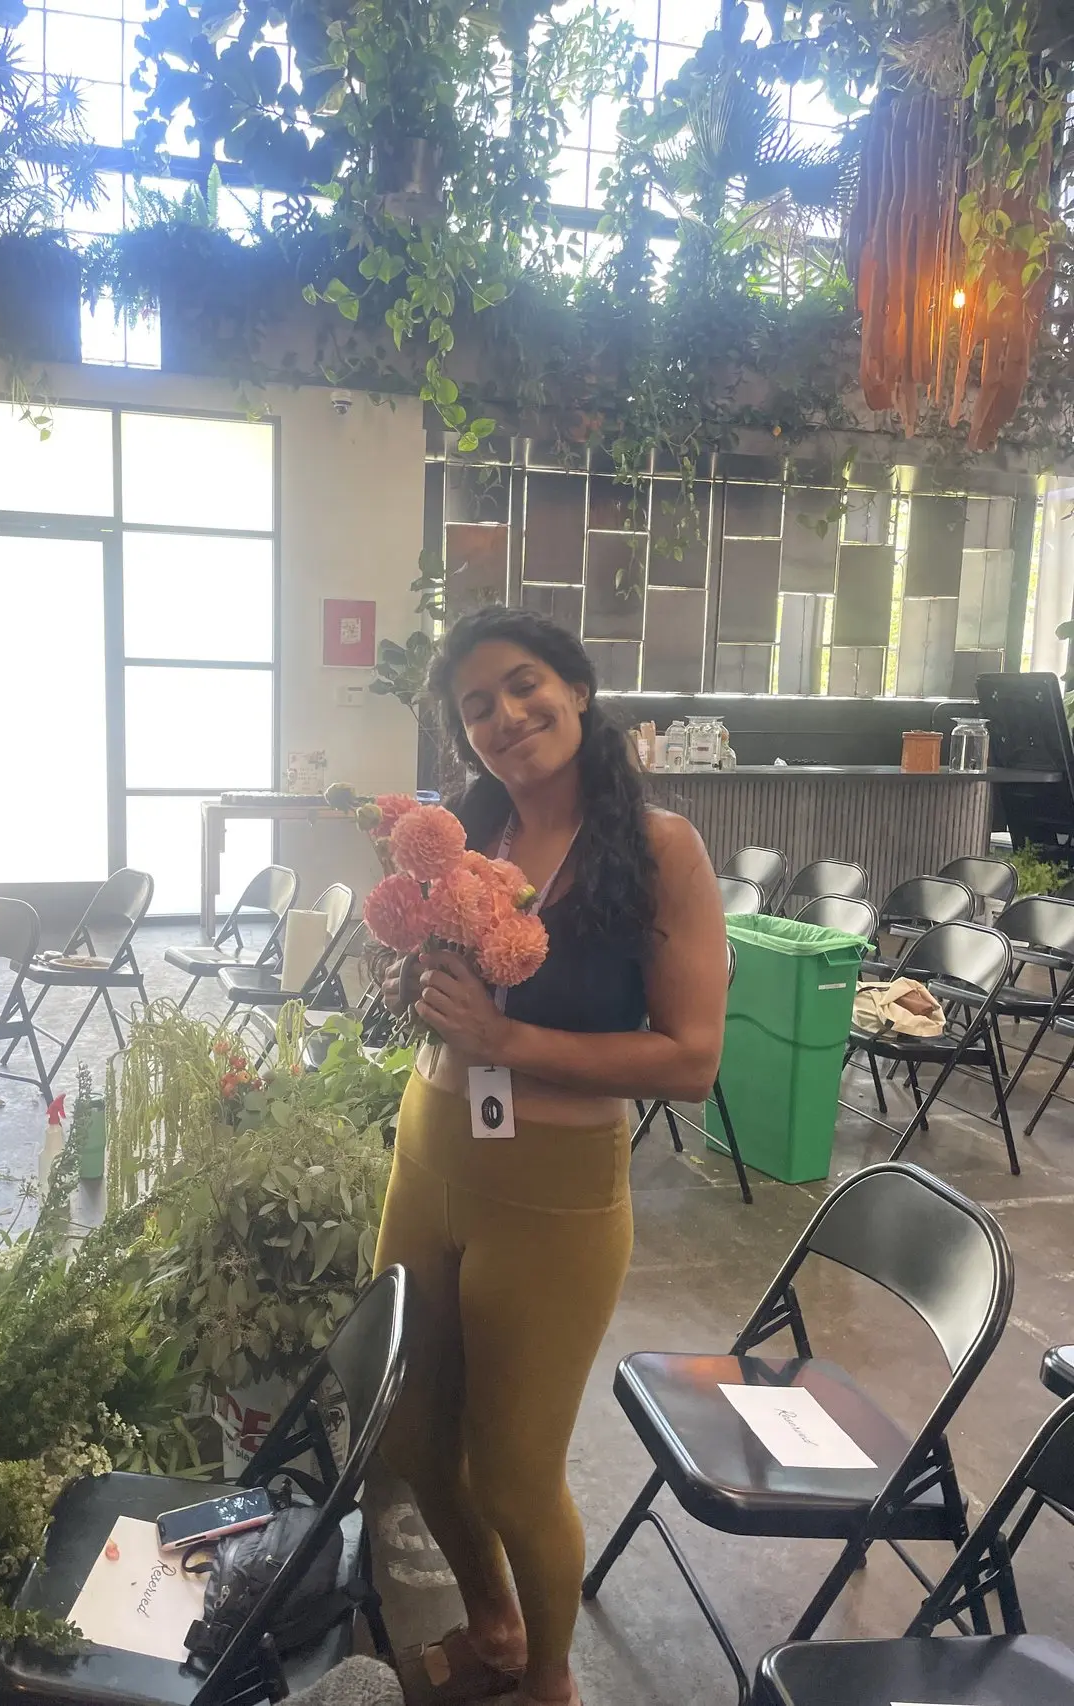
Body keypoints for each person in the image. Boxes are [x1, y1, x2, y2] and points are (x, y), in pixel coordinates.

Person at [374, 607, 727, 1706]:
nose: (506, 717)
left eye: (523, 684)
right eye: (476, 706)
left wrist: (505, 1039)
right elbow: (450, 997)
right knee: (409, 1436)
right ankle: (492, 1628)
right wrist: (416, 986)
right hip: (428, 1152)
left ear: (576, 687)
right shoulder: (467, 831)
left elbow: (691, 1060)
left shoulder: (660, 848)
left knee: (515, 1474)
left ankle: (550, 1680)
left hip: (552, 1199)